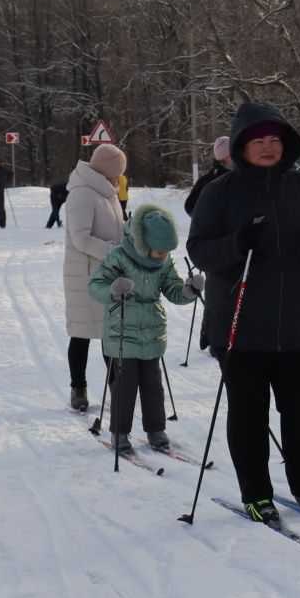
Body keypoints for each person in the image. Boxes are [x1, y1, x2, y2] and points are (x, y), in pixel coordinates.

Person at [187, 102, 300, 522]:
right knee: (249, 415)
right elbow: (198, 249)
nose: (269, 148)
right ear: (241, 147)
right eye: (259, 141)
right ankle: (256, 493)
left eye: (275, 140)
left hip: (298, 323)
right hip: (241, 326)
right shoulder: (220, 192)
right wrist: (238, 242)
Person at [88, 205, 203, 454]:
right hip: (122, 330)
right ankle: (119, 432)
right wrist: (113, 289)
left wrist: (188, 291)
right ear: (143, 243)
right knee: (125, 385)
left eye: (167, 252)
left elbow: (172, 288)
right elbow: (95, 285)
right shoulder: (119, 257)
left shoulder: (164, 261)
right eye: (160, 251)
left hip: (151, 331)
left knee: (153, 385)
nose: (163, 256)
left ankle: (156, 429)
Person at [63, 144, 128, 412]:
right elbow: (81, 239)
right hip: (85, 276)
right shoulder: (81, 194)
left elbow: (115, 227)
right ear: (109, 170)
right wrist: (113, 251)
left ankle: (117, 385)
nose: (121, 177)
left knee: (110, 332)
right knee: (82, 333)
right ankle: (78, 388)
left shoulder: (108, 192)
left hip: (107, 273)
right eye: (119, 171)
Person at [185, 136, 230, 217]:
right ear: (224, 157)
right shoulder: (209, 181)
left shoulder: (240, 175)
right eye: (232, 154)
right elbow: (190, 207)